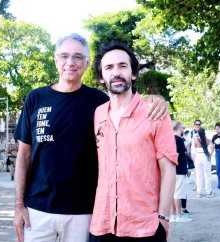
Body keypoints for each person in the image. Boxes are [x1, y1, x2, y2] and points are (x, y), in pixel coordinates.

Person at [13, 34, 168, 242]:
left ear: (86, 64)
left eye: (78, 57)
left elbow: (125, 98)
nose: (71, 62)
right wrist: (18, 205)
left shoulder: (99, 102)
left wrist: (157, 100)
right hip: (37, 210)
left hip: (84, 212)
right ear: (55, 60)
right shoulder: (35, 98)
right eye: (64, 56)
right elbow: (23, 155)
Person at [89, 41, 177, 241]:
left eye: (123, 66)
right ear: (102, 77)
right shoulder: (98, 114)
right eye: (109, 67)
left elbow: (168, 170)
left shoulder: (155, 112)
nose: (116, 72)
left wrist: (163, 219)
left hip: (144, 227)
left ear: (133, 73)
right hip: (102, 225)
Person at [170, 122, 192, 223]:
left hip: (173, 170)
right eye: (182, 128)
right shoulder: (178, 140)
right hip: (178, 170)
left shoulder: (170, 139)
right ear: (179, 128)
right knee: (178, 193)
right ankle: (179, 216)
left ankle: (173, 215)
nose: (183, 130)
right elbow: (177, 155)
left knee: (173, 193)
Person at [194, 128, 214, 198]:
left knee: (199, 174)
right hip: (205, 155)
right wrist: (211, 154)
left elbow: (194, 146)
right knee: (207, 174)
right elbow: (212, 146)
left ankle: (199, 192)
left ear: (198, 133)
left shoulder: (196, 139)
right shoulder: (207, 140)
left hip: (198, 155)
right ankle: (208, 192)